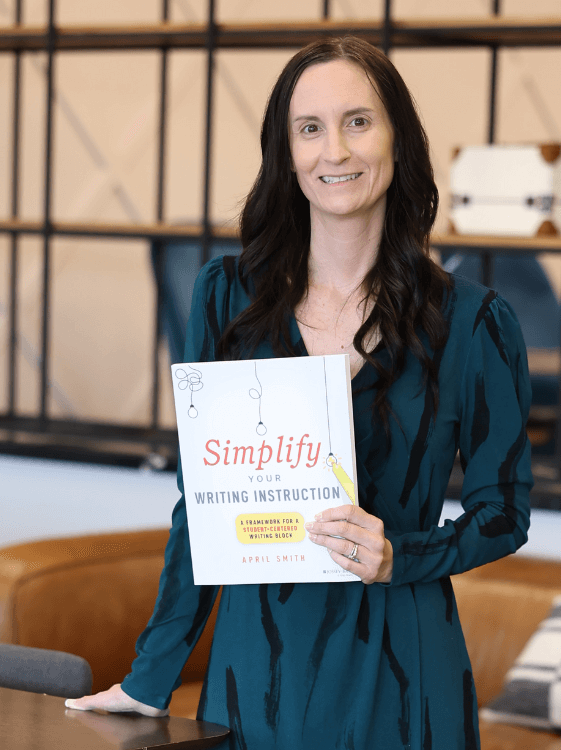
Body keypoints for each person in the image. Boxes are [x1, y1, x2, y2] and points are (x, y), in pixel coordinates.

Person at [66, 36, 533, 749]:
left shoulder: (473, 322)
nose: (334, 151)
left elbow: (505, 513)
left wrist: (401, 555)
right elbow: (201, 509)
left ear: (399, 139)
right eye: (309, 128)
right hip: (257, 670)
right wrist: (150, 676)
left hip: (405, 675)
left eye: (358, 122)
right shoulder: (224, 297)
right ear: (286, 154)